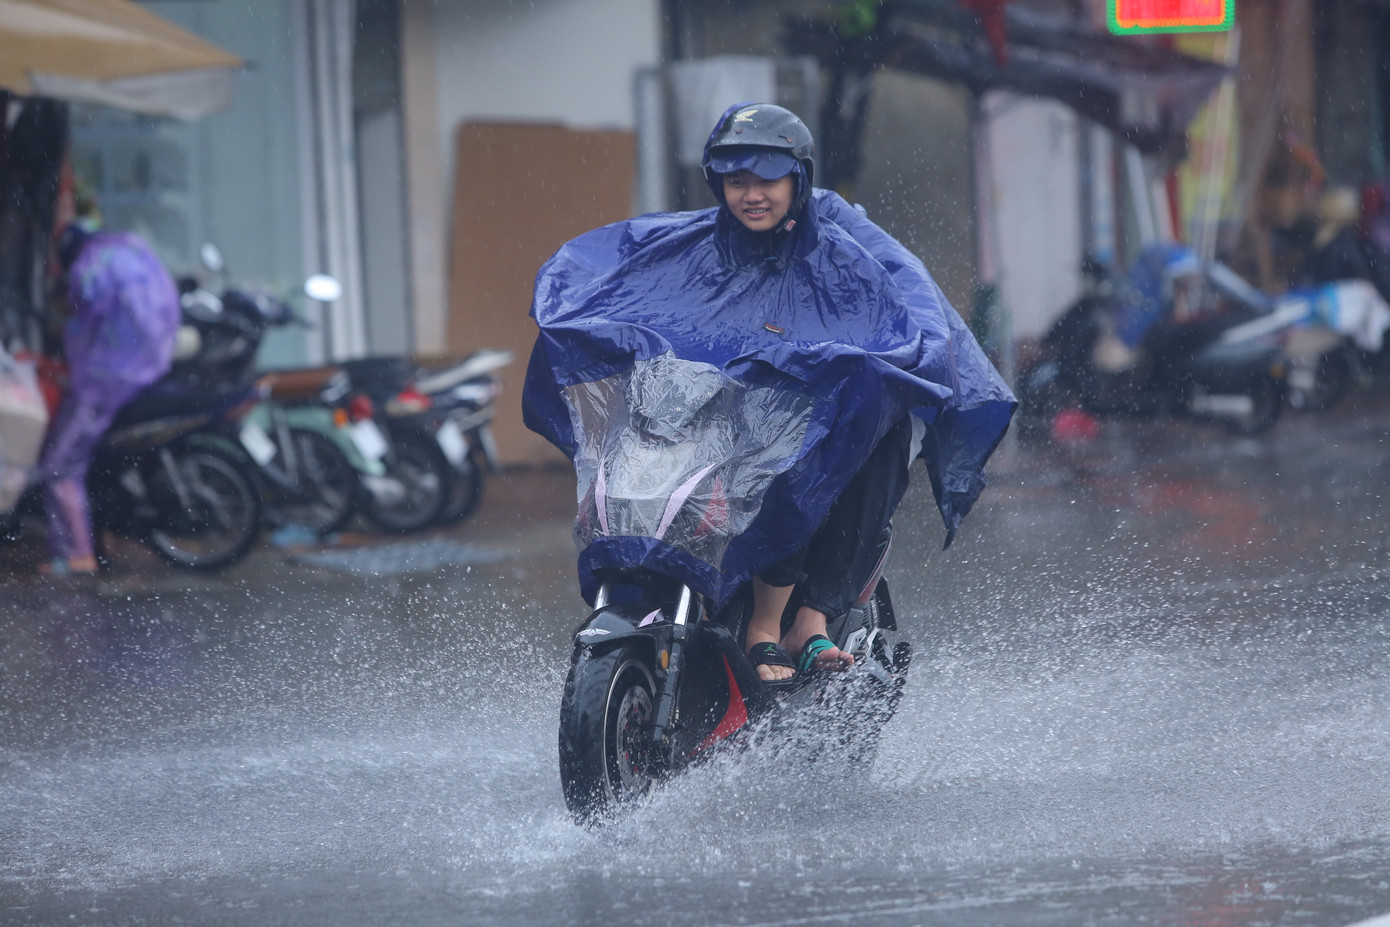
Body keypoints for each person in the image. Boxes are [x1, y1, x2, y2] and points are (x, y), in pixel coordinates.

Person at [524, 103, 1015, 682]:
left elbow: (906, 310)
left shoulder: (842, 253)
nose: (751, 195)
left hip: (808, 416)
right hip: (719, 413)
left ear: (798, 179)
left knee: (818, 458)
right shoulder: (686, 248)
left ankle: (792, 624)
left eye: (767, 180)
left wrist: (875, 357)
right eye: (737, 181)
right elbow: (608, 275)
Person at [35, 219, 181, 575]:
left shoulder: (91, 263)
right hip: (144, 371)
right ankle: (101, 539)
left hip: (106, 377)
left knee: (60, 465)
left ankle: (76, 555)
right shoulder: (127, 250)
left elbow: (84, 299)